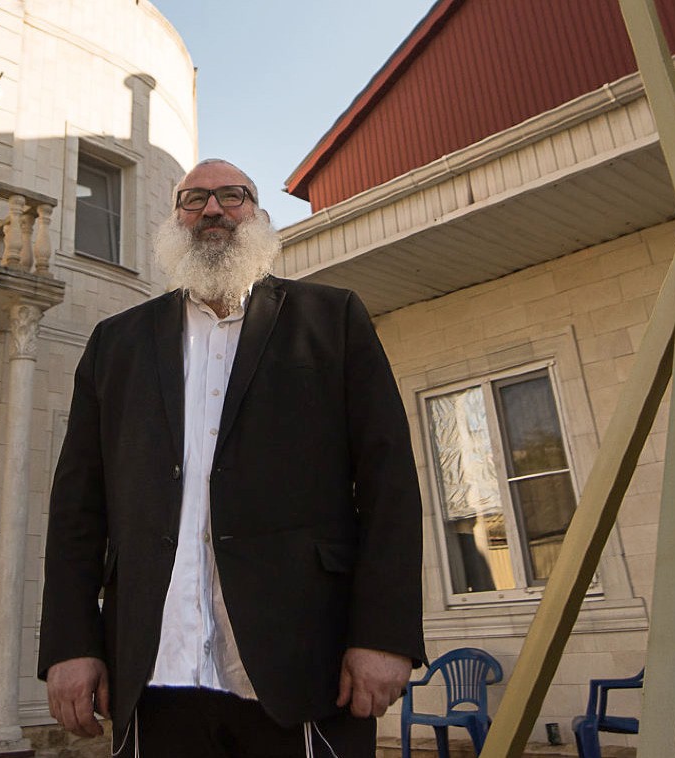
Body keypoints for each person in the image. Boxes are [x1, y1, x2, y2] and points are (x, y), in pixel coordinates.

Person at [38, 159, 425, 757]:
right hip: (155, 673)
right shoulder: (116, 344)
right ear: (174, 220)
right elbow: (77, 509)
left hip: (303, 670)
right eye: (193, 199)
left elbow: (388, 485)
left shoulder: (331, 320)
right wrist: (71, 644)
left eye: (231, 196)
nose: (212, 210)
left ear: (259, 215)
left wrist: (384, 634)